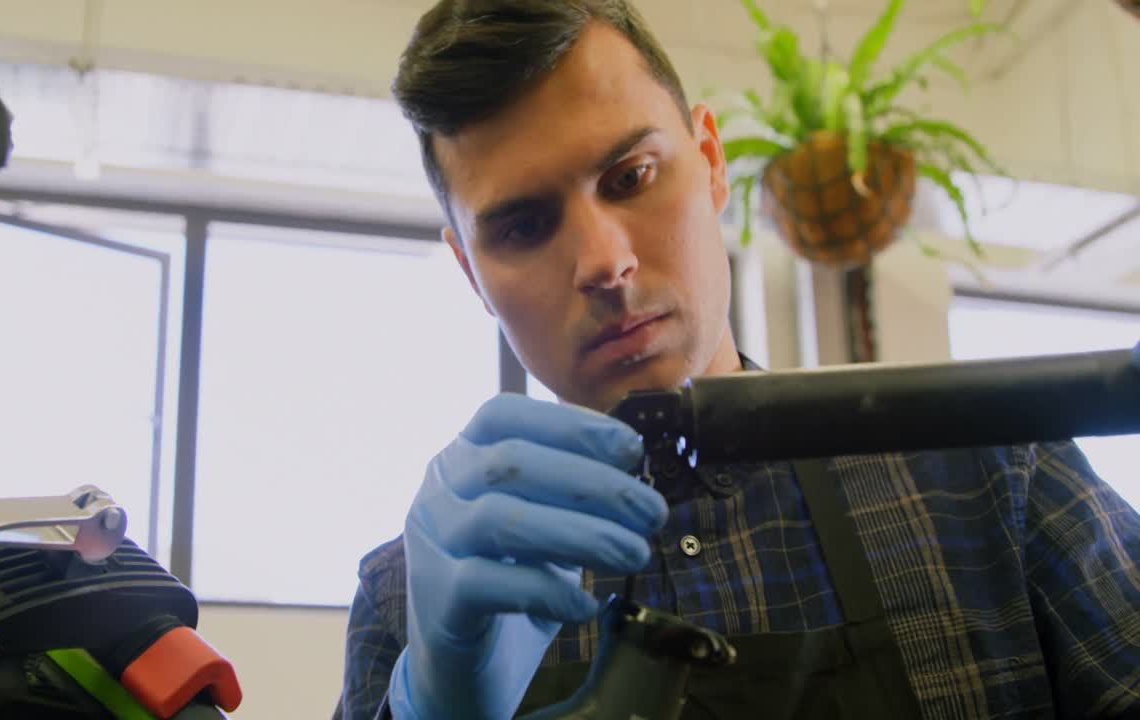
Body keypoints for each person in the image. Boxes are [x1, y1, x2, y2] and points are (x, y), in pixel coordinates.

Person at [333, 2, 1140, 718]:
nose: (603, 263)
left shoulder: (991, 471)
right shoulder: (410, 605)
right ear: (473, 274)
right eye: (522, 228)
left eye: (631, 176)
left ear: (712, 164)